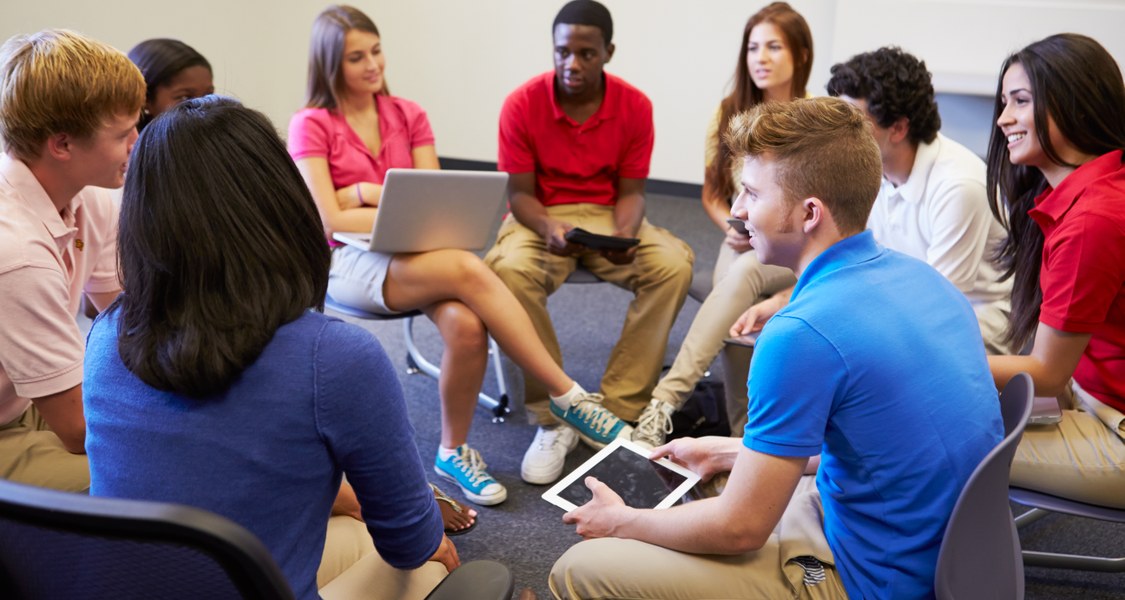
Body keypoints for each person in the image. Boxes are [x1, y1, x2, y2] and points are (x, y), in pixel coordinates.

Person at [549, 97, 1003, 599]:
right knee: (715, 487)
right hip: (945, 558)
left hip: (869, 578)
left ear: (810, 213)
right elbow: (877, 444)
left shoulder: (800, 334)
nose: (739, 211)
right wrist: (728, 450)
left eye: (751, 193)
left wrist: (621, 522)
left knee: (582, 567)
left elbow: (739, 529)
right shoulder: (922, 279)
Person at [85, 96, 458, 600]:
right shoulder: (336, 359)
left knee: (350, 534)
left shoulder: (106, 337)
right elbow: (411, 541)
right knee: (432, 566)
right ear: (282, 204)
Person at [288, 4, 629, 502]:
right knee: (470, 266)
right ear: (329, 65)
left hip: (417, 251)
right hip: (347, 261)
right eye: (356, 57)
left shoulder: (408, 114)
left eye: (376, 51)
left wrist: (363, 191)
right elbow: (330, 221)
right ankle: (569, 394)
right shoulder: (311, 124)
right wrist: (373, 200)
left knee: (468, 327)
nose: (372, 64)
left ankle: (452, 452)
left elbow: (434, 201)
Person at [485, 0, 692, 483]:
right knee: (507, 271)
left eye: (585, 54)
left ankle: (618, 406)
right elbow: (518, 193)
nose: (571, 64)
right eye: (562, 52)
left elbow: (632, 193)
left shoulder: (635, 106)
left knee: (673, 263)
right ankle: (555, 414)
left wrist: (621, 235)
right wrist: (547, 228)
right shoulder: (521, 103)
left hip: (605, 217)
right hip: (539, 216)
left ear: (608, 52)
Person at [728, 47, 1017, 358]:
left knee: (828, 352)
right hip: (901, 301)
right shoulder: (872, 168)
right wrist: (785, 301)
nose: (839, 135)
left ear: (899, 128)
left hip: (970, 324)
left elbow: (937, 305)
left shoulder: (958, 186)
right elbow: (851, 264)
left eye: (854, 121)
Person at [631, 1, 809, 447]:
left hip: (796, 246)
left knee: (736, 281)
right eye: (753, 48)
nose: (760, 58)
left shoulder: (816, 120)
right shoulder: (730, 111)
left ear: (800, 55)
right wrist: (731, 226)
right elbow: (713, 193)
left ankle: (666, 402)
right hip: (744, 239)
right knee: (736, 299)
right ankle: (741, 434)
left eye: (773, 47)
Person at [0, 29, 143, 492]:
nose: (137, 142)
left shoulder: (89, 195)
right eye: (123, 134)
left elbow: (128, 319)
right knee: (152, 476)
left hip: (27, 401)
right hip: (14, 424)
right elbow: (79, 430)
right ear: (62, 145)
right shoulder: (17, 253)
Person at [986, 33, 1125, 509]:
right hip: (1091, 400)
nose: (1003, 118)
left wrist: (929, 366)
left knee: (929, 440)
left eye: (1020, 102)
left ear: (1074, 104)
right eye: (1004, 102)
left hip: (1114, 428)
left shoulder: (1092, 219)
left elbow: (1045, 373)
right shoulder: (1088, 196)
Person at [127, 38, 215, 130]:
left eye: (208, 95)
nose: (203, 106)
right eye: (185, 98)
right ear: (146, 99)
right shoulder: (130, 143)